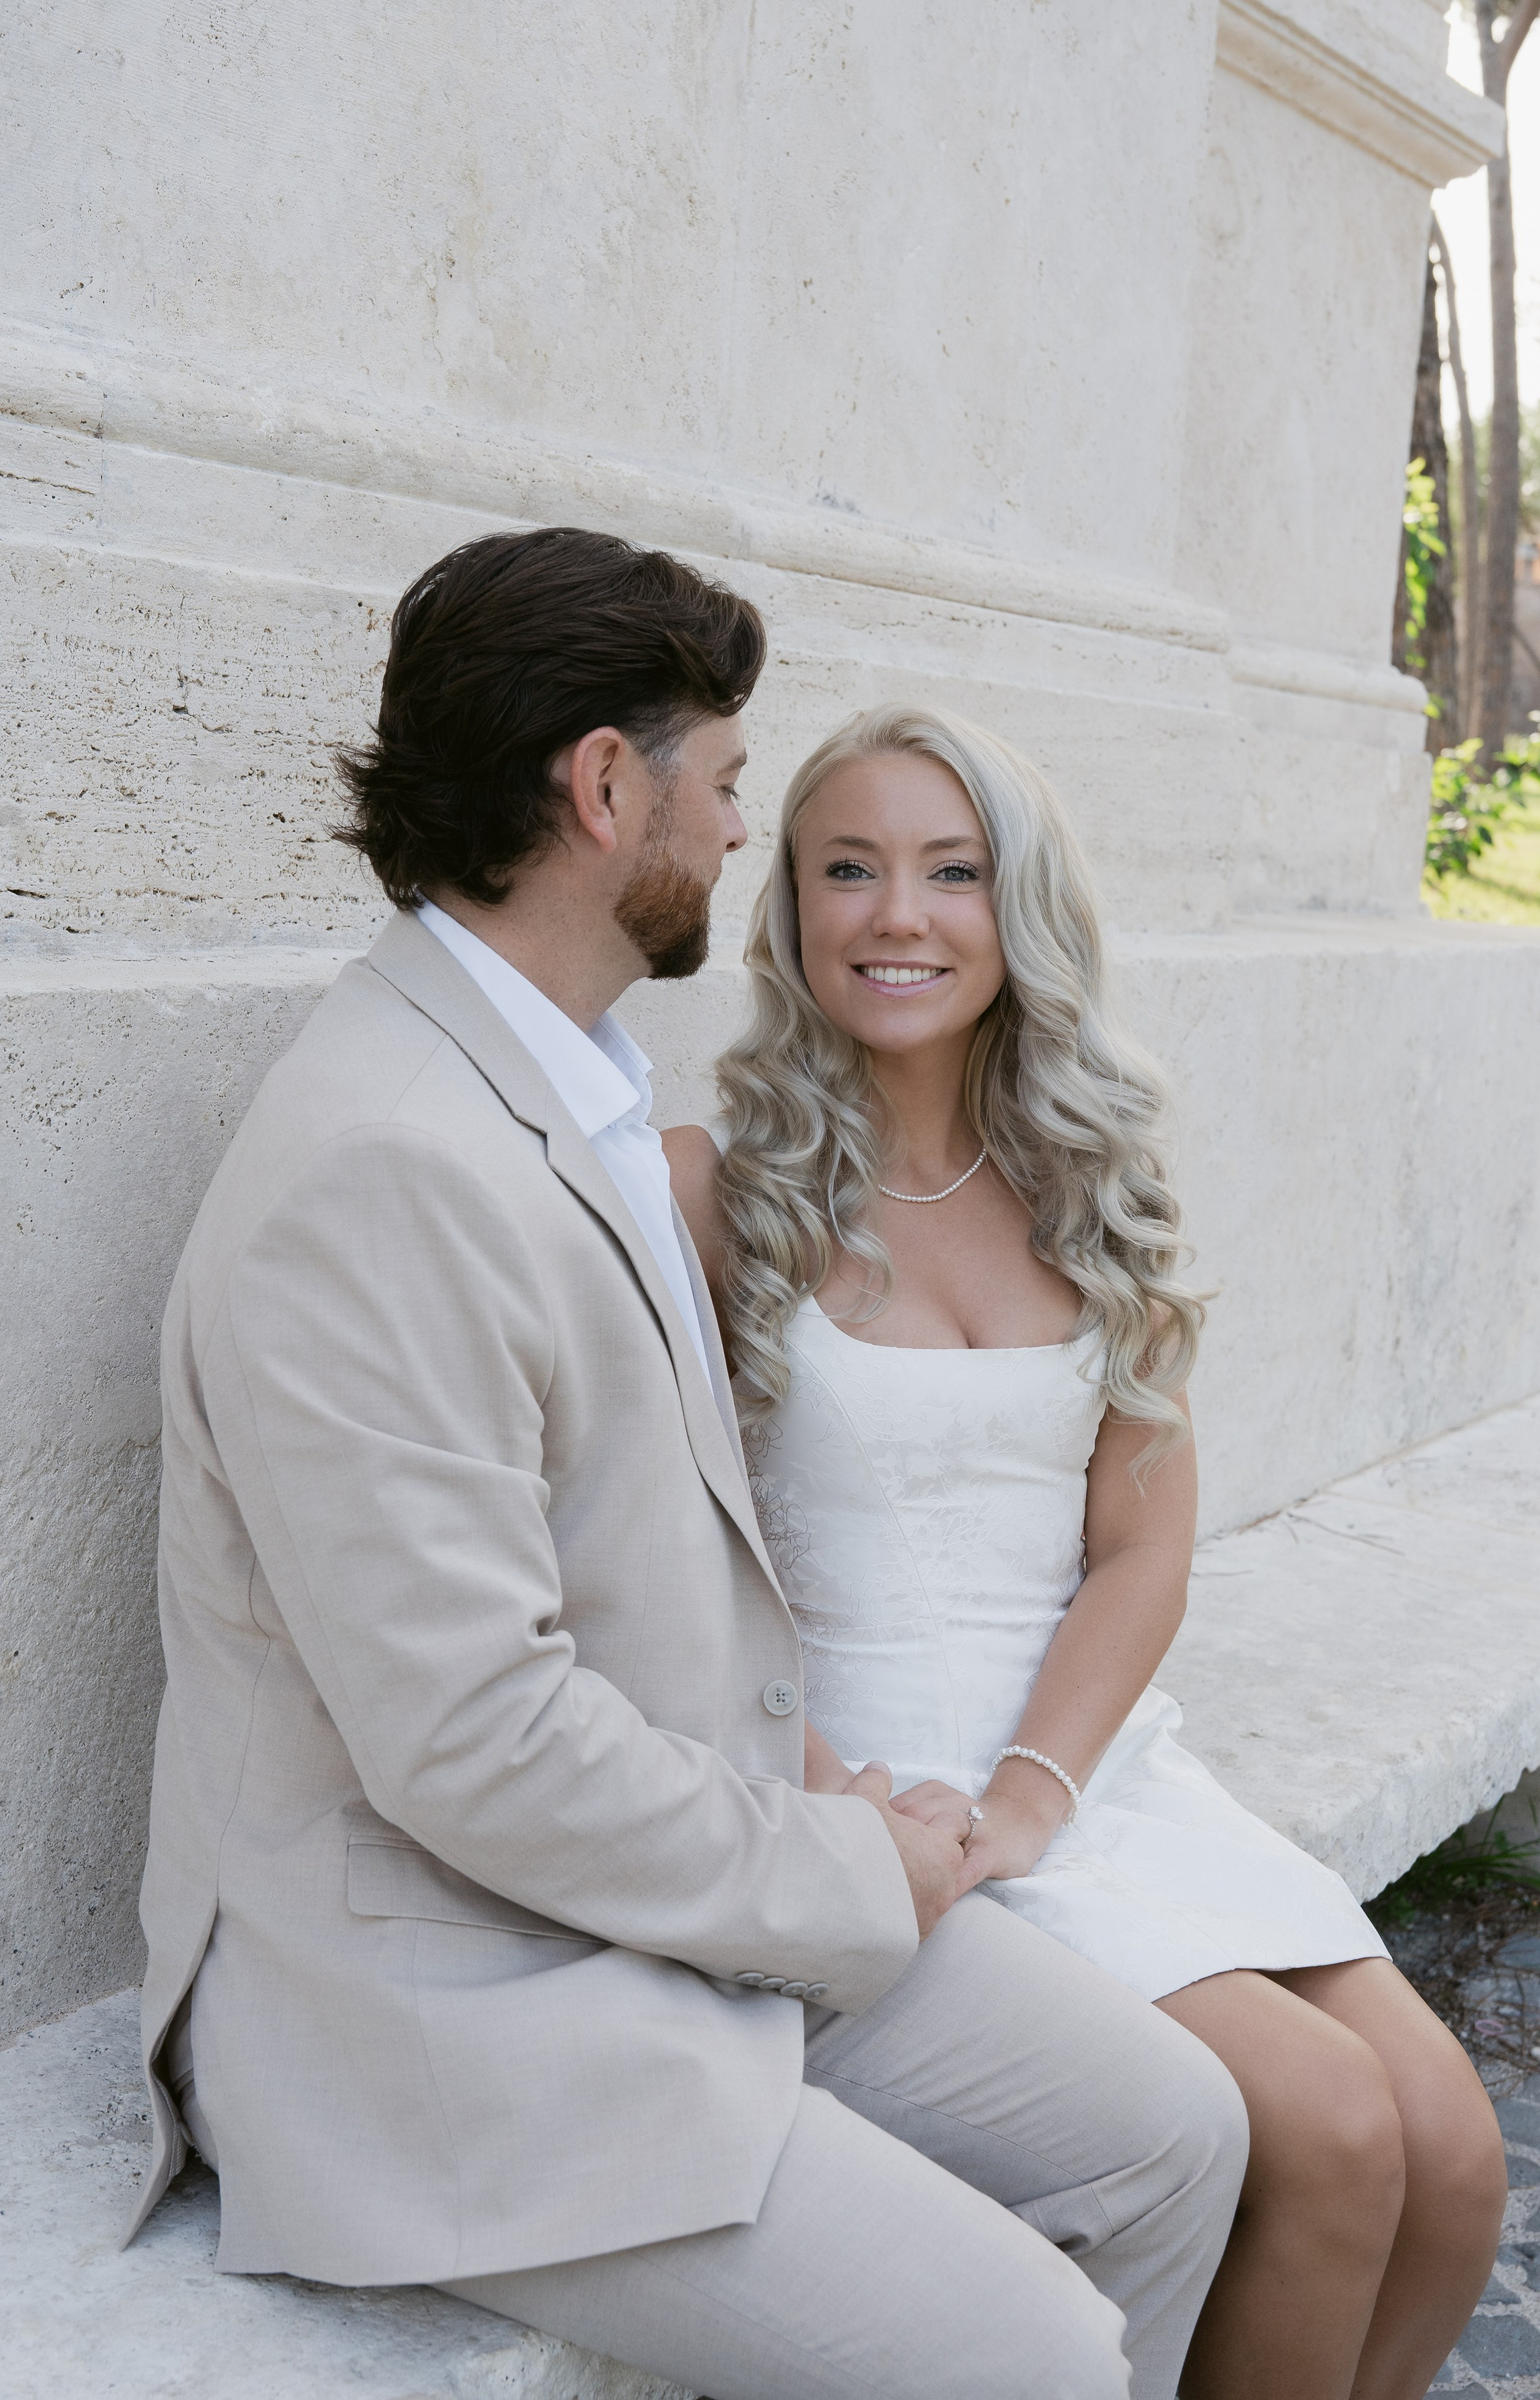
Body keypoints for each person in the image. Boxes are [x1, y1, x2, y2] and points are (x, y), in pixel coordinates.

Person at [126, 527, 1248, 2400]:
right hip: (449, 1998)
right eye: (725, 785)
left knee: (1177, 2134)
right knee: (1038, 2359)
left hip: (658, 1889)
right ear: (603, 788)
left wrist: (842, 1811)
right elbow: (473, 1744)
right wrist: (838, 1868)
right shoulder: (385, 1169)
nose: (742, 838)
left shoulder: (576, 1086)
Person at [665, 702, 1509, 2400]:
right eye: (848, 869)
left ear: (1016, 907)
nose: (896, 914)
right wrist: (854, 1802)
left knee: (1452, 2150)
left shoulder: (1083, 1182)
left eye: (949, 871)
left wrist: (1046, 1786)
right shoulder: (710, 1191)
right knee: (1335, 2134)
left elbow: (1139, 1547)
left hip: (1084, 1767)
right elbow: (671, 1556)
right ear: (789, 910)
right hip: (873, 1784)